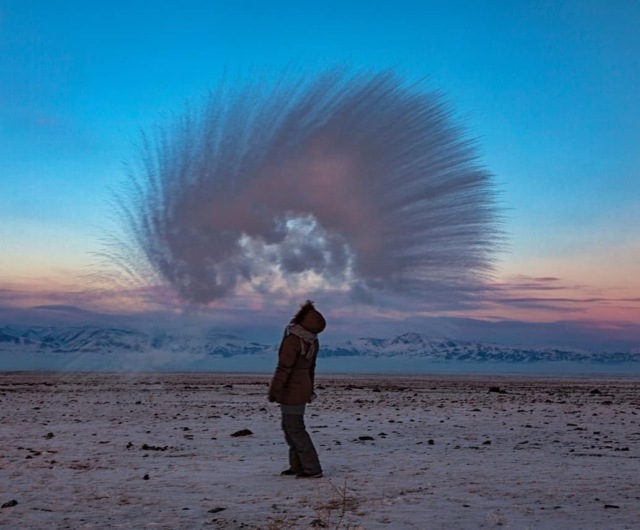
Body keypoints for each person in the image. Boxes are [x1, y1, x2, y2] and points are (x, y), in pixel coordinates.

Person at [268, 300, 326, 478]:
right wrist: (309, 389)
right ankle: (297, 465)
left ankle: (311, 468)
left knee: (294, 428)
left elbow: (284, 367)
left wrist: (274, 389)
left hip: (292, 389)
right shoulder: (312, 342)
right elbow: (311, 368)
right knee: (291, 427)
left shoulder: (293, 340)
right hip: (302, 388)